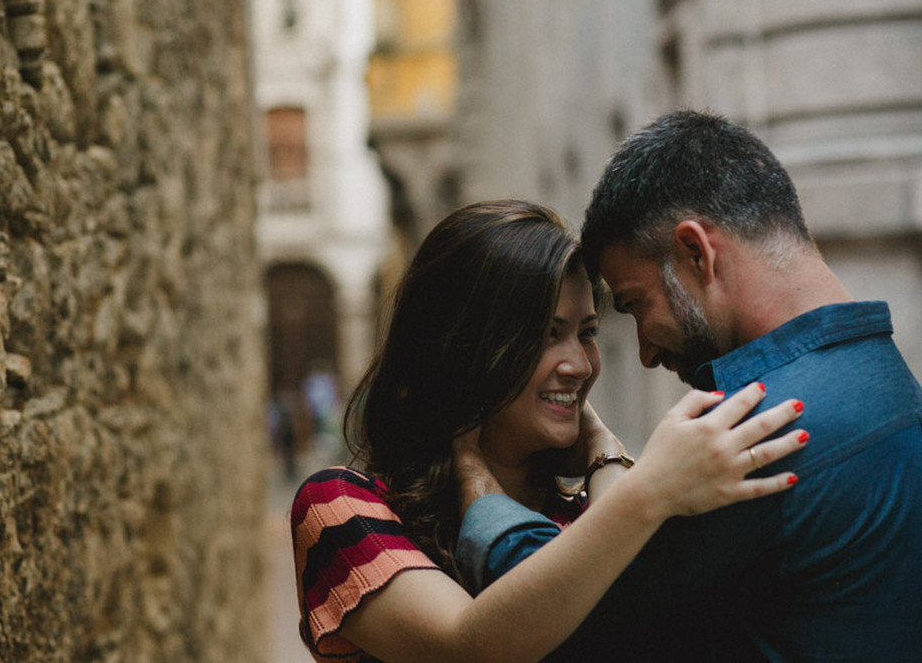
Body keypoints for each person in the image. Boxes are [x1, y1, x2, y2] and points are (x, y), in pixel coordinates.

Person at [457, 111, 922, 661]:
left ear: (695, 252)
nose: (646, 354)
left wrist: (475, 485)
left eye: (633, 303)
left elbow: (552, 617)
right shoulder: (884, 376)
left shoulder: (759, 431)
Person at [291, 200, 809, 663]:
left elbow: (637, 620)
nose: (579, 365)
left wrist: (606, 461)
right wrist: (647, 490)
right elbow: (469, 646)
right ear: (461, 347)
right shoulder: (342, 507)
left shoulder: (588, 507)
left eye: (586, 334)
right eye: (545, 335)